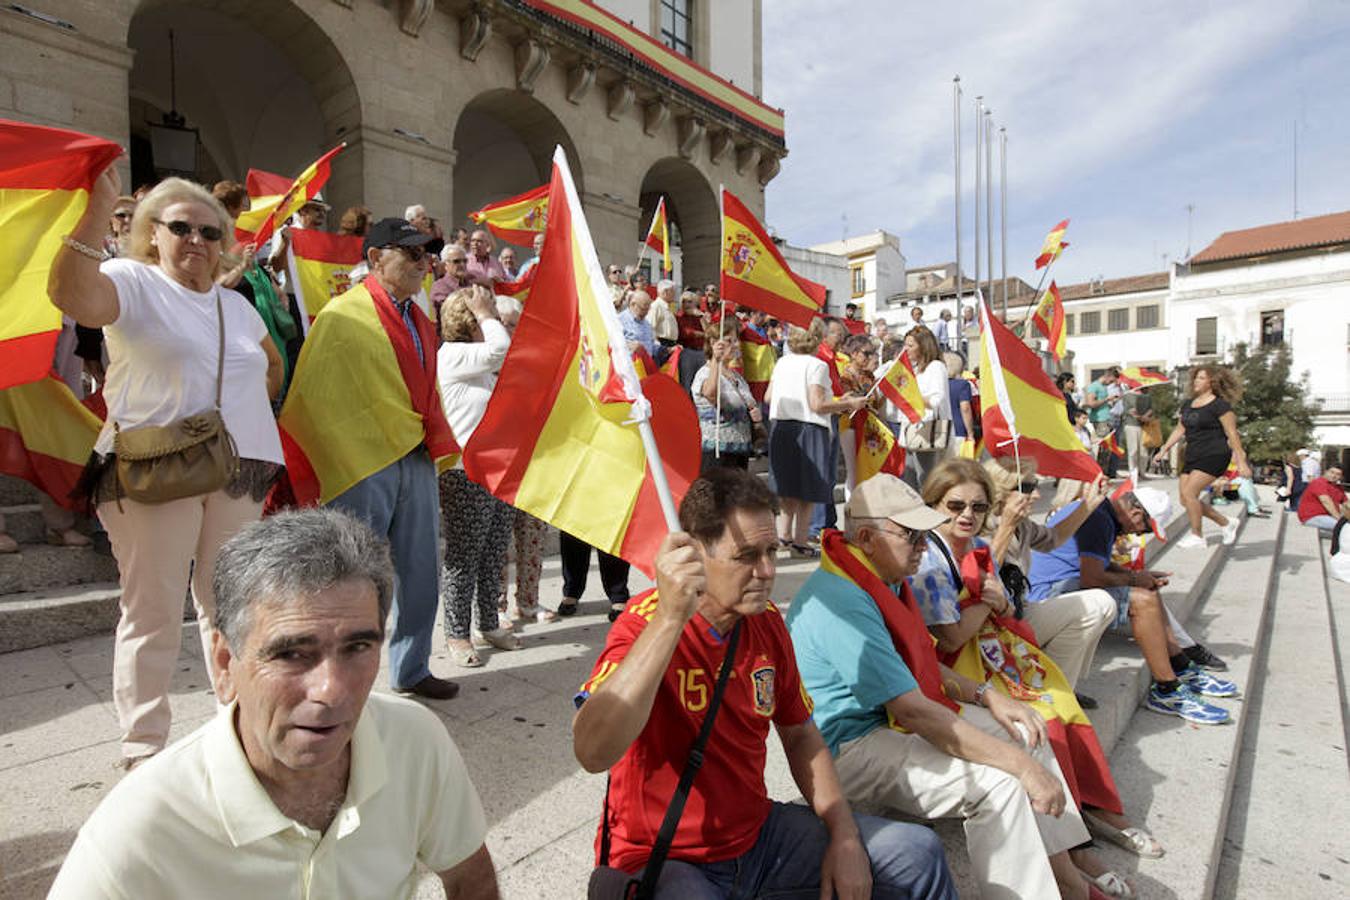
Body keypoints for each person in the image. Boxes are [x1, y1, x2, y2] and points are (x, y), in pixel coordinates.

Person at [48, 509, 497, 899]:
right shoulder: (140, 826)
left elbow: (470, 878)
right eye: (291, 654)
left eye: (358, 647)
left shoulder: (415, 740)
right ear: (225, 665)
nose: (331, 690)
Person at [573, 469, 956, 900]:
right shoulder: (644, 624)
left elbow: (800, 735)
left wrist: (844, 834)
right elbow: (592, 751)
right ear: (695, 555)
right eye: (747, 556)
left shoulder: (767, 623)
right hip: (664, 856)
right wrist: (670, 619)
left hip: (758, 838)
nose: (768, 570)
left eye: (772, 550)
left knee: (916, 852)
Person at [50, 169, 285, 769]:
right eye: (181, 227)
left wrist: (242, 406)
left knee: (229, 605)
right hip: (158, 467)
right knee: (152, 607)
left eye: (211, 231)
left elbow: (271, 369)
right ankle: (143, 747)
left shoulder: (237, 305)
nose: (198, 240)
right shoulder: (132, 281)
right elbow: (72, 297)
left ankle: (237, 729)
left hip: (240, 468)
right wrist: (96, 211)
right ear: (152, 233)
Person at [786, 473, 1097, 900]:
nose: (923, 546)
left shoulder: (876, 573)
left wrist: (987, 695)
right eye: (911, 536)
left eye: (923, 535)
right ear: (865, 536)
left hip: (890, 721)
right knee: (1001, 783)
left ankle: (1067, 874)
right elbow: (914, 711)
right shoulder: (842, 599)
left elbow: (918, 663)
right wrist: (1022, 767)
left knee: (1026, 727)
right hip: (850, 748)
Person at [911, 462, 1158, 891]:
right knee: (1038, 720)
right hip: (955, 666)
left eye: (977, 506)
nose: (968, 514)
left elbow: (1008, 597)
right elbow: (950, 636)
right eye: (956, 505)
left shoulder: (981, 539)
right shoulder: (931, 554)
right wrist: (994, 594)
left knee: (1060, 700)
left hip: (999, 643)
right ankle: (1075, 850)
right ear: (934, 504)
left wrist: (1087, 503)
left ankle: (1089, 818)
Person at [279, 218, 459, 701]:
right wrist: (344, 447)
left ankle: (411, 666)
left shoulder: (422, 318)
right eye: (412, 254)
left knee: (420, 570)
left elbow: (424, 388)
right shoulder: (342, 315)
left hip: (414, 454)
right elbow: (314, 393)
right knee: (354, 574)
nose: (424, 263)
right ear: (376, 258)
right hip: (362, 461)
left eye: (427, 256)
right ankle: (338, 675)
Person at [1028, 486, 1238, 724]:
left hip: (1059, 586)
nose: (1139, 535)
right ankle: (1167, 689)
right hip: (1048, 595)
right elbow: (1092, 577)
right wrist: (1135, 579)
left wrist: (1139, 576)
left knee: (1146, 590)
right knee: (1142, 600)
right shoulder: (1098, 519)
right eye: (1145, 529)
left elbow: (1098, 564)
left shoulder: (1103, 515)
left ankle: (1179, 663)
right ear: (1136, 513)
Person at [436, 286, 521, 667]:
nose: (494, 323)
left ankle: (489, 622)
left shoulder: (477, 361)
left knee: (492, 553)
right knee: (465, 555)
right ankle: (457, 633)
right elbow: (501, 348)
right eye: (484, 317)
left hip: (497, 469)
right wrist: (487, 314)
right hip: (464, 471)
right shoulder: (453, 354)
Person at [983, 458, 1117, 692]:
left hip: (1020, 612)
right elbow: (982, 576)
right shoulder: (981, 523)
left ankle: (1057, 685)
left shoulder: (1022, 525)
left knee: (1102, 604)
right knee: (1096, 604)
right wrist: (1005, 527)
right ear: (1001, 490)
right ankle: (1051, 690)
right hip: (988, 624)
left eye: (1035, 486)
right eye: (1026, 487)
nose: (1036, 495)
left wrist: (1088, 505)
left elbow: (1052, 539)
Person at [766, 321, 865, 557]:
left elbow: (769, 397)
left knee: (787, 487)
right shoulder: (817, 365)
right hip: (809, 429)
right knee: (808, 490)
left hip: (781, 427)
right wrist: (848, 403)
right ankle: (800, 541)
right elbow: (817, 404)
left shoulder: (782, 362)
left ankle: (784, 536)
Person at [1152, 365, 1250, 548]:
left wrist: (1241, 461)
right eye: (1196, 378)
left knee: (1190, 493)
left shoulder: (1220, 406)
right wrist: (1164, 449)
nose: (1196, 381)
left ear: (1212, 382)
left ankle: (1197, 536)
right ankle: (1226, 523)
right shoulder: (1188, 404)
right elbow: (1180, 429)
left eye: (1202, 378)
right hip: (1193, 454)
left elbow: (1232, 433)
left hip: (1214, 454)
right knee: (1185, 499)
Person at [693, 328, 760, 471]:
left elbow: (748, 403)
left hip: (741, 450)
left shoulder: (736, 376)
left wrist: (753, 414)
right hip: (717, 451)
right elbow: (711, 395)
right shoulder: (704, 373)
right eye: (729, 341)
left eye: (736, 340)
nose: (735, 345)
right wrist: (716, 361)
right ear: (713, 343)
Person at [902, 326, 951, 488]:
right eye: (905, 345)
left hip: (927, 430)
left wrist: (913, 398)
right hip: (912, 429)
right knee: (911, 480)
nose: (906, 349)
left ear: (923, 346)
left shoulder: (936, 367)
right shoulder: (916, 369)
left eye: (910, 346)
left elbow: (938, 399)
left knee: (926, 480)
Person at [1298, 464, 1347, 533]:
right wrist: (1339, 519)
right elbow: (1326, 502)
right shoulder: (1319, 483)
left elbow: (1347, 504)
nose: (1334, 476)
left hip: (1328, 517)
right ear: (1325, 471)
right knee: (1345, 527)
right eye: (1332, 472)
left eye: (1338, 474)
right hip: (1312, 517)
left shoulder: (1338, 488)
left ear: (1341, 477)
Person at [430, 243, 473, 321]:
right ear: (445, 265)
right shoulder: (439, 287)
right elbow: (451, 312)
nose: (462, 264)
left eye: (465, 261)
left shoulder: (470, 284)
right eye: (457, 261)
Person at [944, 351, 975, 455]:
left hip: (940, 431)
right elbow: (965, 408)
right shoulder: (962, 385)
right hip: (958, 430)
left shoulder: (937, 384)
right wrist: (970, 433)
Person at [619, 288, 659, 357]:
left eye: (648, 309)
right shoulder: (620, 321)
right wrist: (629, 345)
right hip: (629, 365)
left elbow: (651, 346)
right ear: (633, 304)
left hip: (645, 365)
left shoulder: (647, 324)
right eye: (643, 309)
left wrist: (667, 350)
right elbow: (612, 344)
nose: (646, 313)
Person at [650, 279, 680, 349]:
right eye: (672, 291)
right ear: (665, 292)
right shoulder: (656, 306)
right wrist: (659, 347)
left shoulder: (668, 307)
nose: (674, 294)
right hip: (663, 345)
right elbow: (650, 328)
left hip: (671, 345)